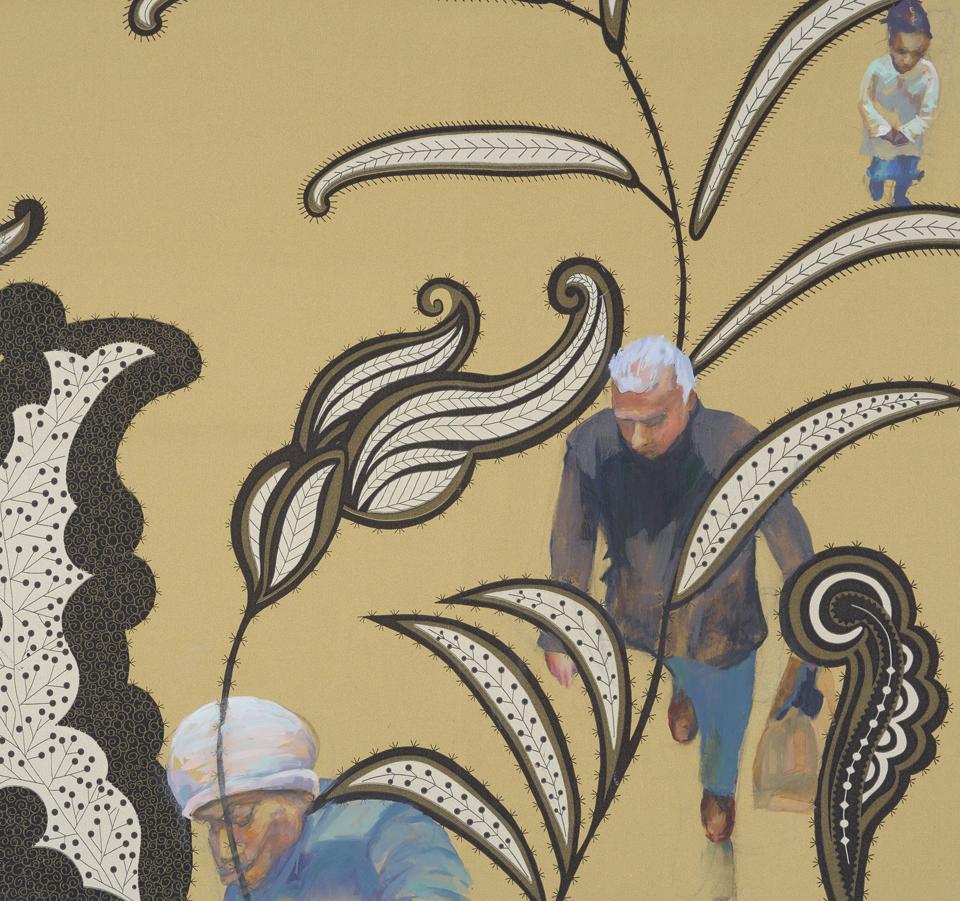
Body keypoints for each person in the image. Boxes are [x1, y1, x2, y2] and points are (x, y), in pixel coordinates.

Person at [539, 336, 815, 843]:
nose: (638, 438)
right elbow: (572, 537)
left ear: (688, 399)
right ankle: (682, 689)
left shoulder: (737, 443)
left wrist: (813, 608)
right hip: (640, 608)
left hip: (723, 622)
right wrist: (559, 632)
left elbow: (786, 530)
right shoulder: (591, 445)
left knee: (725, 718)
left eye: (654, 420)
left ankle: (718, 788)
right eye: (626, 420)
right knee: (673, 663)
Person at [167, 697, 472, 900]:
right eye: (212, 825)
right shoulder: (245, 885)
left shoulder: (389, 825)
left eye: (241, 818)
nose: (225, 849)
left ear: (299, 794)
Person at [859, 0, 938, 208]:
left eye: (918, 53)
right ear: (890, 42)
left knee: (907, 169)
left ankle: (900, 195)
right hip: (883, 135)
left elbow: (928, 111)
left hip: (911, 136)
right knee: (883, 165)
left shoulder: (928, 72)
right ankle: (876, 181)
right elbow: (865, 103)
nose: (909, 60)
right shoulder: (877, 69)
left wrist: (908, 132)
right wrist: (884, 130)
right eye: (902, 51)